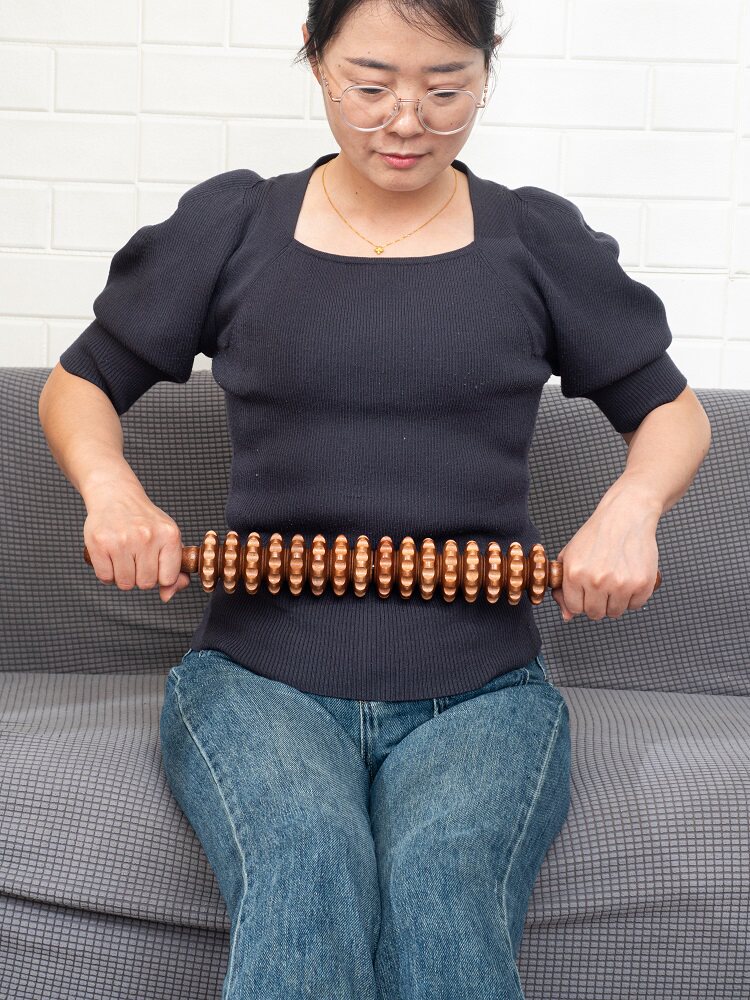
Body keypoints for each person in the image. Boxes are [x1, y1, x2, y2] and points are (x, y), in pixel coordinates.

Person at [38, 1, 711, 997]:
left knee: (443, 881)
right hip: (257, 681)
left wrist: (630, 508)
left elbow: (673, 414)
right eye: (370, 85)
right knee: (308, 858)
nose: (406, 121)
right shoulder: (234, 226)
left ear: (486, 70)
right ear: (315, 60)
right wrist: (111, 489)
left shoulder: (534, 240)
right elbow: (79, 383)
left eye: (446, 89)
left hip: (483, 693)